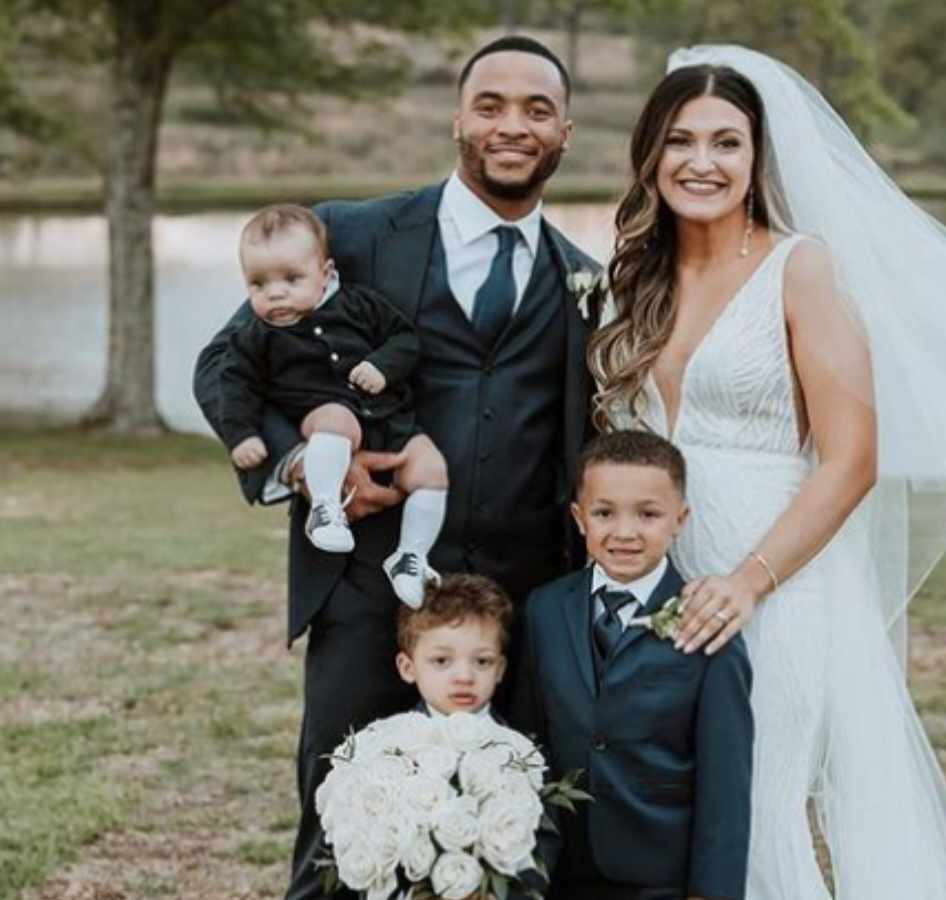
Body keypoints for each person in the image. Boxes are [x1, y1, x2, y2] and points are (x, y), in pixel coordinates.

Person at [589, 47, 946, 900]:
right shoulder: (634, 280)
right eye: (680, 140)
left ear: (757, 158)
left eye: (726, 143)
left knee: (758, 811)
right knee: (681, 815)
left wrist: (749, 581)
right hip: (658, 579)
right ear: (650, 154)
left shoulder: (800, 268)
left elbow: (853, 459)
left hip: (774, 577)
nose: (701, 162)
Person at [192, 35, 601, 900]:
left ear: (566, 132)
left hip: (517, 604)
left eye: (537, 110)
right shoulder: (349, 233)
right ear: (458, 118)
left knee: (505, 835)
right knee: (344, 830)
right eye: (490, 104)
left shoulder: (585, 280)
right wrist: (302, 463)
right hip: (366, 586)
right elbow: (231, 363)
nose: (511, 126)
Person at [511, 430, 753, 900]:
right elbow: (527, 739)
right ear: (580, 519)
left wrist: (711, 891)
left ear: (680, 519)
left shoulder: (707, 626)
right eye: (604, 513)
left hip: (660, 874)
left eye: (648, 514)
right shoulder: (544, 610)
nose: (624, 532)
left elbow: (726, 783)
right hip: (563, 869)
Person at [219, 203, 447, 605]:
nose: (275, 293)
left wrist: (381, 366)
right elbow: (234, 384)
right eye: (258, 284)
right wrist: (242, 435)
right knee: (338, 420)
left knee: (431, 469)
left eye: (291, 279)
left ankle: (409, 557)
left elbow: (404, 339)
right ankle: (325, 509)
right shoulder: (256, 335)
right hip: (323, 417)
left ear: (325, 275)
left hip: (388, 418)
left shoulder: (360, 305)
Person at [394, 573, 512, 717]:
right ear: (408, 668)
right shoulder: (383, 738)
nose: (464, 677)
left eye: (482, 661)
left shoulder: (518, 740)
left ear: (499, 670)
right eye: (441, 660)